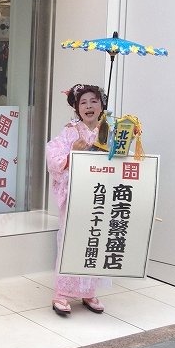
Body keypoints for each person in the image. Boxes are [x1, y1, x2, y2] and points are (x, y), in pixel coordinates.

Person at [45, 83, 112, 316]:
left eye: (94, 101)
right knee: (70, 242)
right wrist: (72, 151)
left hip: (99, 195)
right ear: (76, 108)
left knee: (94, 240)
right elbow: (53, 157)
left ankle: (88, 291)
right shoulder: (70, 131)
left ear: (102, 105)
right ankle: (61, 294)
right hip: (75, 194)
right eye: (83, 102)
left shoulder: (108, 130)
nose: (89, 106)